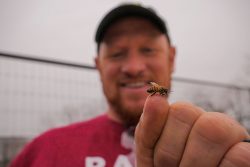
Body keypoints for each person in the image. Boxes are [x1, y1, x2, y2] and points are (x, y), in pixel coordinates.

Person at [9, 3, 250, 167]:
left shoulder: (220, 149)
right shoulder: (44, 151)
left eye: (148, 49)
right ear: (98, 65)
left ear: (172, 58)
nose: (134, 67)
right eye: (116, 54)